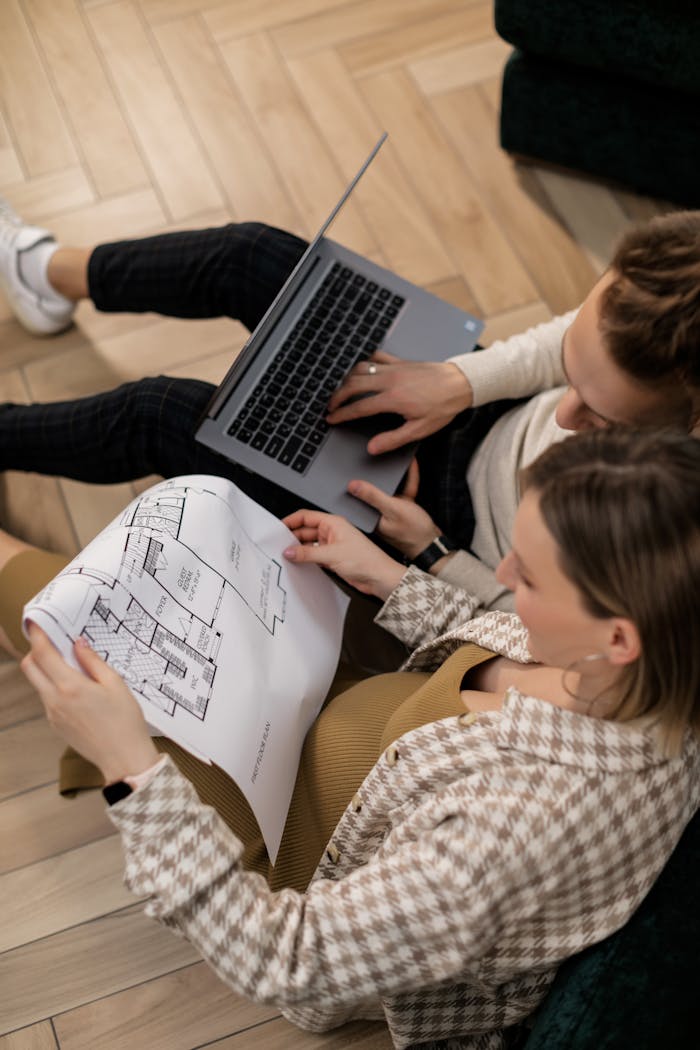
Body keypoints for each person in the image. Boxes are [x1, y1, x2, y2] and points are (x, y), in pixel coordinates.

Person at [8, 428, 700, 1049]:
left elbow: (290, 958)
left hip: (300, 860)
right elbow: (506, 637)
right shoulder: (659, 668)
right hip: (358, 715)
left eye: (532, 574)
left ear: (617, 640)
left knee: (87, 639)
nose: (503, 573)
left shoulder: (509, 838)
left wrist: (131, 769)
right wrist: (395, 575)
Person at [1, 200, 698, 620]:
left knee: (157, 413)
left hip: (443, 536)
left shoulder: (672, 542)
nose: (566, 419)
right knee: (249, 257)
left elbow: (535, 638)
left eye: (602, 419)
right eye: (573, 380)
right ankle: (45, 274)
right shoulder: (667, 309)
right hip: (481, 407)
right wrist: (459, 379)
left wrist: (428, 551)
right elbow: (572, 344)